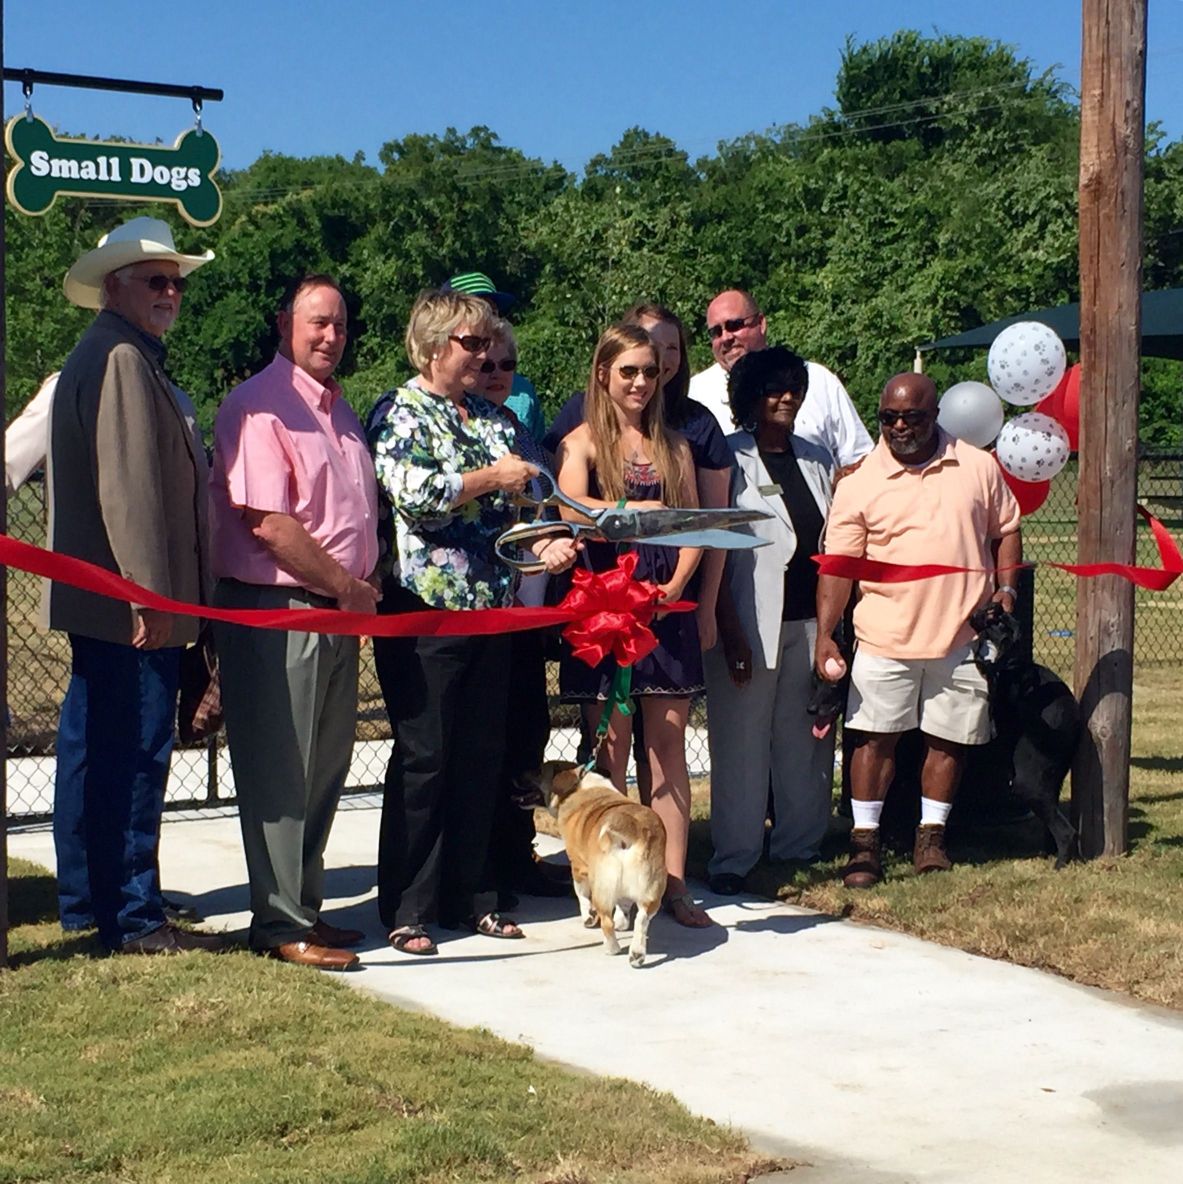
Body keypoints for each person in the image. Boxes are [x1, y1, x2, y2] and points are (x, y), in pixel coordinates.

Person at [369, 290, 575, 957]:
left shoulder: (494, 417)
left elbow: (526, 504)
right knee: (426, 758)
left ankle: (474, 894)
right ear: (431, 345)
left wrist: (544, 543)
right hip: (424, 612)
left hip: (492, 610)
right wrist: (491, 477)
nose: (484, 355)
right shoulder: (400, 411)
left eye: (488, 344)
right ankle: (409, 905)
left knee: (481, 754)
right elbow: (416, 494)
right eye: (470, 342)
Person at [45, 215, 221, 954]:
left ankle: (94, 904)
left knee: (97, 748)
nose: (171, 292)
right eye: (157, 280)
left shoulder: (116, 353)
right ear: (115, 287)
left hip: (106, 598)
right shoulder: (120, 358)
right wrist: (148, 595)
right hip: (130, 604)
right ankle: (134, 916)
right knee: (132, 754)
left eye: (176, 281)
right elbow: (129, 491)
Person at [209, 274, 379, 970]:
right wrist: (344, 585)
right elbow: (268, 523)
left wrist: (351, 591)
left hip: (336, 614)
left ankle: (306, 907)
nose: (330, 337)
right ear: (285, 324)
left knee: (324, 768)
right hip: (283, 611)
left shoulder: (340, 411)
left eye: (338, 324)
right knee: (282, 770)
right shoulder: (258, 407)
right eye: (316, 323)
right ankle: (278, 925)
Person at [815, 372, 1023, 887]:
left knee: (948, 741)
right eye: (889, 417)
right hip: (885, 634)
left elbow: (1007, 530)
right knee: (872, 741)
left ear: (936, 416)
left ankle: (931, 837)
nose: (901, 426)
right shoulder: (860, 482)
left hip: (961, 635)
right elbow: (839, 566)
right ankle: (864, 845)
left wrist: (1007, 590)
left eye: (914, 416)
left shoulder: (978, 467)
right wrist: (824, 634)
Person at [556, 322, 711, 928]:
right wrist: (634, 510)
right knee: (609, 757)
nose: (642, 382)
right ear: (603, 374)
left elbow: (695, 525)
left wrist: (673, 587)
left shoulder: (677, 446)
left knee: (667, 751)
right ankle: (605, 891)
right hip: (604, 611)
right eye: (629, 371)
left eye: (650, 371)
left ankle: (671, 885)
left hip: (663, 609)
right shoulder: (582, 443)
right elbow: (573, 514)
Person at [705, 347, 835, 894]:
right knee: (741, 743)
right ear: (749, 397)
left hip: (810, 622)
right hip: (747, 622)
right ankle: (735, 856)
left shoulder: (817, 457)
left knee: (805, 741)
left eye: (794, 388)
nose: (786, 397)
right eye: (773, 388)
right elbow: (717, 547)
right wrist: (730, 631)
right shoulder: (727, 457)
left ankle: (798, 846)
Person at [471, 322, 574, 905]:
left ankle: (517, 855)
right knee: (478, 744)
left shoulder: (517, 430)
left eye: (506, 366)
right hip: (477, 612)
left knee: (524, 738)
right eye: (485, 364)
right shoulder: (460, 428)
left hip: (524, 619)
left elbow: (544, 504)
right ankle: (477, 866)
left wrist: (553, 538)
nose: (496, 375)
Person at [688, 289, 873, 469]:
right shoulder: (696, 394)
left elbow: (859, 459)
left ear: (761, 323)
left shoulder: (817, 380)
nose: (726, 337)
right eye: (716, 332)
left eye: (734, 325)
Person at [442, 269, 545, 441]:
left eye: (492, 311)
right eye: (475, 311)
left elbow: (541, 449)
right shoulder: (427, 401)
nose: (487, 321)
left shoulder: (522, 391)